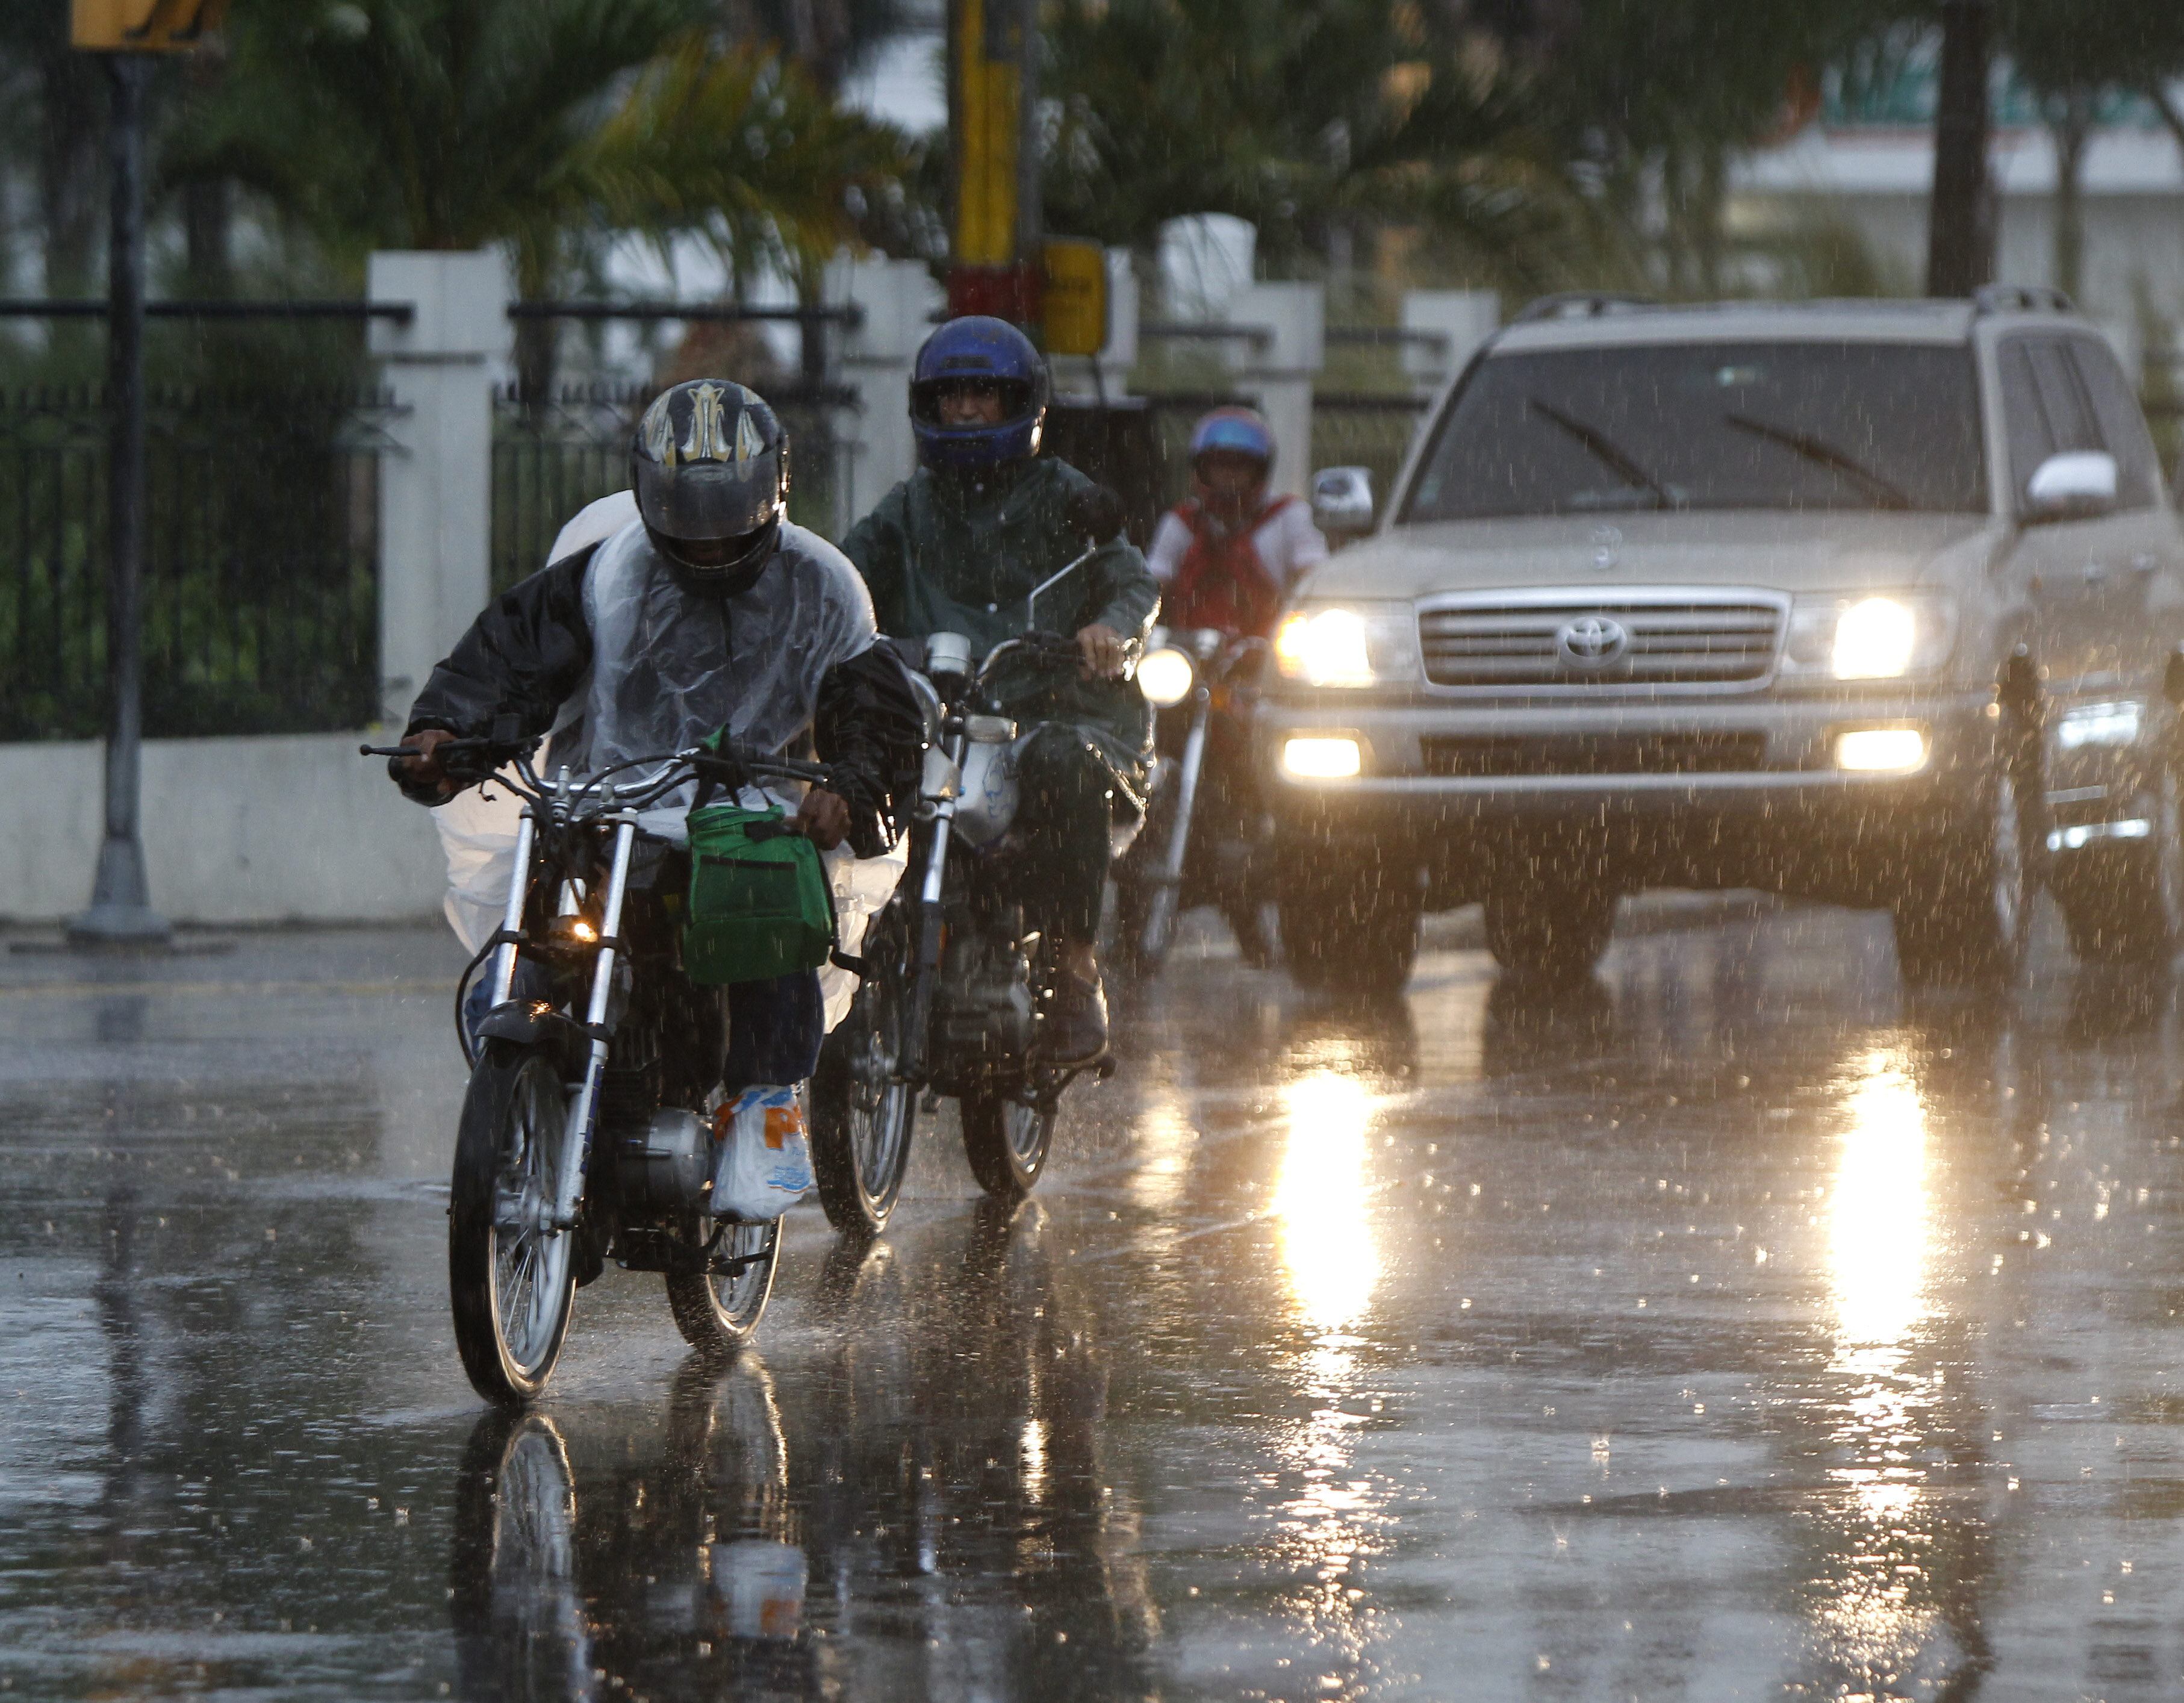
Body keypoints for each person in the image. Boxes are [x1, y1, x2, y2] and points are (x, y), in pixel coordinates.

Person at [389, 379, 922, 1183]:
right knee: (532, 928)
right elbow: (506, 661)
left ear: (775, 489)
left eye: (727, 520)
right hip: (612, 807)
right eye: (688, 519)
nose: (707, 541)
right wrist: (445, 734)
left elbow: (878, 718)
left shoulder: (825, 588)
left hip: (752, 823)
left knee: (775, 920)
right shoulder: (603, 576)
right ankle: (526, 1059)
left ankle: (767, 1109)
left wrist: (846, 787)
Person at [838, 315, 1160, 1065]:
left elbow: (1130, 580)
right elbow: (844, 579)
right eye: (953, 397)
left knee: (1065, 765)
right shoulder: (912, 505)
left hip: (1055, 709)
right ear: (930, 405)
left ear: (1022, 403)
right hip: (940, 711)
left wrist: (1110, 631)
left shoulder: (1063, 494)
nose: (969, 411)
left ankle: (1079, 969)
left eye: (985, 394)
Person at [1145, 405, 1327, 638]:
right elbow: (1151, 586)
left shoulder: (1289, 515)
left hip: (1269, 650)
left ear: (1259, 470)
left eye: (1240, 464)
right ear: (1201, 469)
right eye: (1219, 464)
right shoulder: (1182, 521)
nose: (1228, 474)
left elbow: (1316, 579)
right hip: (1189, 655)